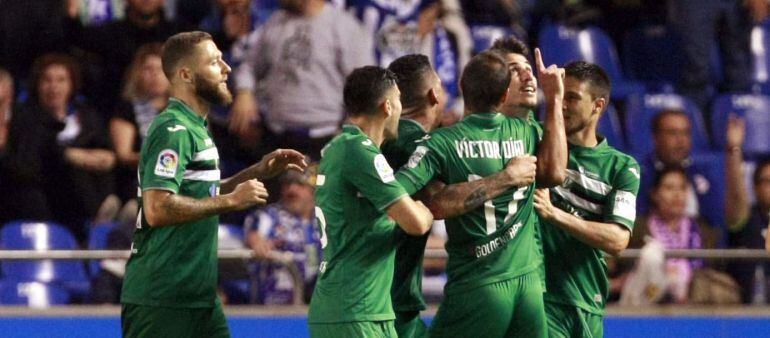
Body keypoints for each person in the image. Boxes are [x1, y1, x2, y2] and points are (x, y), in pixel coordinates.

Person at [120, 31, 306, 338]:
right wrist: (232, 201)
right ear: (185, 74)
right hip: (163, 296)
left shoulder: (197, 127)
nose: (226, 68)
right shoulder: (173, 129)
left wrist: (257, 171)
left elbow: (199, 193)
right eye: (214, 62)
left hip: (199, 295)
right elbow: (157, 207)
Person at [394, 50, 566, 338]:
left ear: (462, 88)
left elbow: (399, 191)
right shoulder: (525, 132)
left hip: (478, 286)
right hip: (529, 288)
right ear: (503, 98)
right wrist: (555, 100)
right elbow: (555, 173)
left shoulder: (440, 143)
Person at [307, 66, 434, 338]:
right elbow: (415, 223)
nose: (401, 109)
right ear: (387, 106)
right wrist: (425, 210)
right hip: (355, 310)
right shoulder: (358, 151)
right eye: (399, 100)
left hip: (367, 310)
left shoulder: (337, 148)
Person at [531, 61, 640, 338]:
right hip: (542, 298)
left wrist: (556, 214)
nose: (562, 105)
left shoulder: (621, 168)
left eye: (572, 98)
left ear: (598, 106)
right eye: (559, 96)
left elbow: (617, 240)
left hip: (588, 300)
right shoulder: (535, 142)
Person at [230, 0, 374, 159]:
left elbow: (365, 86)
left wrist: (349, 134)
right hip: (276, 136)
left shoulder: (344, 26)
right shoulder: (275, 22)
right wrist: (245, 93)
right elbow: (249, 65)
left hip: (326, 137)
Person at [0, 53, 115, 242]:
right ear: (37, 85)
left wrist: (86, 157)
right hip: (43, 188)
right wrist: (71, 155)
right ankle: (97, 216)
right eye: (47, 80)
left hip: (82, 183)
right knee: (68, 169)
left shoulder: (86, 115)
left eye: (61, 80)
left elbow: (108, 154)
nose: (54, 87)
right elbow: (32, 159)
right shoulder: (27, 117)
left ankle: (104, 216)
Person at [380, 53, 446, 338]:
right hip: (392, 305)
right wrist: (507, 179)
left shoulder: (368, 140)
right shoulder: (417, 146)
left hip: (366, 296)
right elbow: (445, 199)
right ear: (434, 94)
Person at [64, 0, 191, 112]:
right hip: (117, 111)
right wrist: (72, 13)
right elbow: (78, 39)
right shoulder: (110, 34)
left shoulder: (180, 34)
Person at [638, 109, 743, 237]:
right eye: (672, 133)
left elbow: (732, 218)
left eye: (685, 133)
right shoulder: (638, 175)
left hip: (703, 251)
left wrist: (734, 150)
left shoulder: (705, 175)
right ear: (656, 137)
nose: (681, 141)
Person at [628, 167, 710, 303]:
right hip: (643, 299)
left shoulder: (701, 229)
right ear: (655, 194)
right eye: (669, 188)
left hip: (691, 303)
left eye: (683, 188)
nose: (677, 194)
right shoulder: (637, 228)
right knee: (652, 252)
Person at [244, 166, 321, 305]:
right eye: (287, 184)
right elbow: (254, 236)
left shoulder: (323, 223)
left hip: (315, 307)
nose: (292, 190)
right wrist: (259, 244)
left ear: (314, 190)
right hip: (270, 307)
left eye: (300, 184)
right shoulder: (269, 216)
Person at [110, 43, 170, 208]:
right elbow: (124, 155)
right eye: (148, 69)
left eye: (160, 69)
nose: (155, 75)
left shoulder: (186, 110)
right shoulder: (126, 109)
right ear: (137, 74)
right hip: (139, 180)